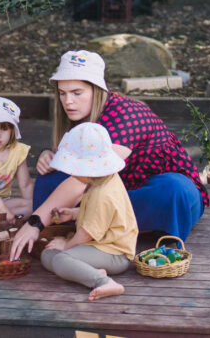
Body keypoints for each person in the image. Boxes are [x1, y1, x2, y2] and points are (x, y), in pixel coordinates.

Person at [10, 50, 208, 260]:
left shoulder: (126, 114)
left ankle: (90, 221)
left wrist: (35, 222)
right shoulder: (83, 114)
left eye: (77, 93)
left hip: (159, 191)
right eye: (62, 93)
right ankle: (96, 221)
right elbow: (79, 167)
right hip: (117, 192)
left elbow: (83, 179)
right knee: (51, 176)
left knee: (172, 190)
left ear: (97, 90)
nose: (68, 101)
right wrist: (50, 155)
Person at [39, 122, 138, 302]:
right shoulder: (100, 181)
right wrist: (73, 213)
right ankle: (87, 270)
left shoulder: (104, 193)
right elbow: (101, 216)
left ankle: (104, 281)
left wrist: (67, 245)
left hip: (114, 253)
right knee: (47, 254)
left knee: (61, 259)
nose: (72, 174)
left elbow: (86, 233)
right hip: (100, 245)